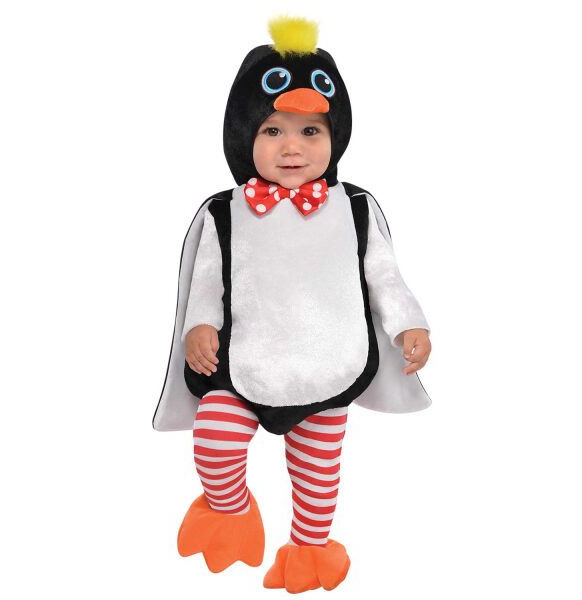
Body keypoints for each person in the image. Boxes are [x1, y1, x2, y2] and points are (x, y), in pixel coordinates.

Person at [153, 15, 432, 593]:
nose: (291, 147)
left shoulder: (352, 208)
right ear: (243, 134)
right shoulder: (226, 212)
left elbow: (385, 278)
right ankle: (230, 511)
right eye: (273, 130)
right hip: (242, 363)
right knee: (214, 438)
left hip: (329, 365)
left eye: (310, 131)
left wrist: (410, 325)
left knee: (318, 476)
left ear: (336, 136)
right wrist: (199, 325)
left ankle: (309, 550)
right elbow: (207, 281)